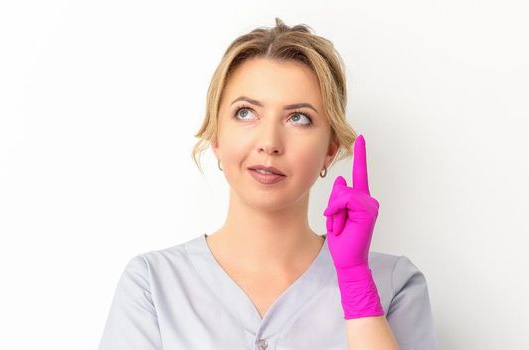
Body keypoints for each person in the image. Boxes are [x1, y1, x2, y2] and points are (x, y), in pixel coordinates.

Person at [97, 18, 438, 350]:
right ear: (216, 135)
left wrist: (355, 283)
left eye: (298, 118)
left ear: (330, 150)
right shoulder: (152, 285)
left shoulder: (394, 286)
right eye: (246, 113)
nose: (269, 142)